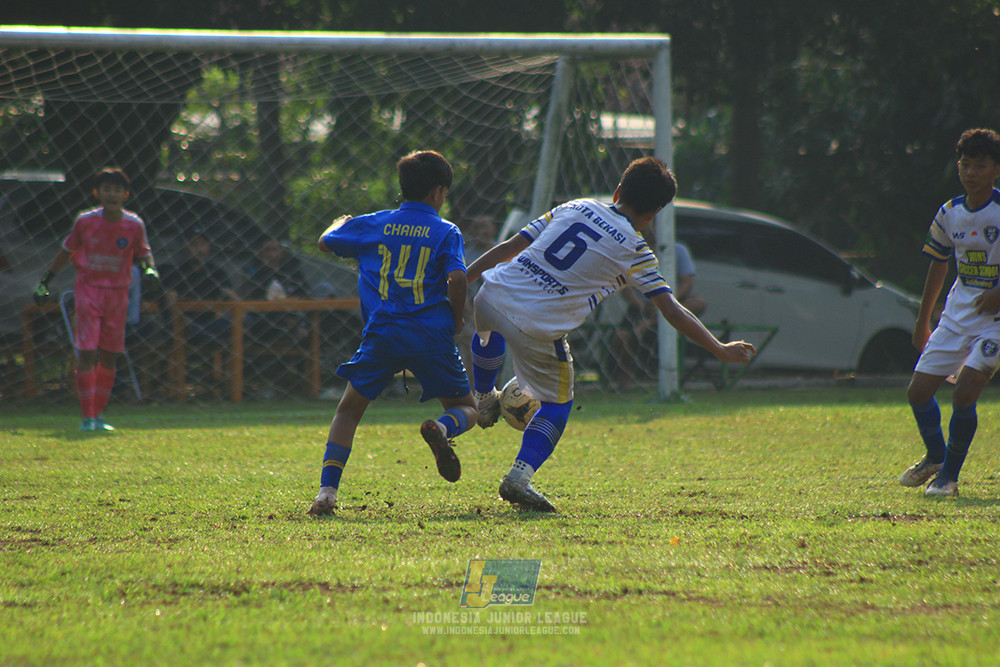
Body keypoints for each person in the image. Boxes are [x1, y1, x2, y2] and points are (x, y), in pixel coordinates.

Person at [466, 157, 756, 512]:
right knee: (557, 404)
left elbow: (510, 247)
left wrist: (463, 278)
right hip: (538, 325)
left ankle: (483, 396)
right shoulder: (636, 249)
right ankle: (518, 477)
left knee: (490, 325)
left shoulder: (575, 206)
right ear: (653, 214)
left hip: (491, 294)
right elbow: (672, 310)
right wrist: (719, 348)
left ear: (618, 191)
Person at [307, 150, 478, 516]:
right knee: (466, 408)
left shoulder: (374, 223)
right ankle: (441, 429)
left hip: (383, 333)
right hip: (430, 335)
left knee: (348, 412)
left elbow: (325, 242)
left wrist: (341, 222)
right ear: (438, 191)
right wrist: (457, 318)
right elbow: (458, 276)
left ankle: (326, 494)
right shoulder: (446, 231)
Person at [899, 128, 1000, 498]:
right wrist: (923, 319)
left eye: (980, 165)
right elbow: (938, 263)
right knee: (918, 392)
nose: (971, 172)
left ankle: (948, 478)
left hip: (995, 324)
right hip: (957, 318)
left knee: (965, 392)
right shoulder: (950, 212)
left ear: (996, 170)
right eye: (965, 164)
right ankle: (936, 456)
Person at [31, 167, 160, 431]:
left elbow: (144, 252)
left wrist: (150, 269)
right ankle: (86, 417)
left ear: (125, 194)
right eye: (107, 189)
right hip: (89, 289)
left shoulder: (134, 224)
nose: (112, 194)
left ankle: (98, 415)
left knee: (110, 355)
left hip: (118, 293)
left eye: (117, 190)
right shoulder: (85, 221)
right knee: (87, 351)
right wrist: (45, 281)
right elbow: (66, 251)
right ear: (96, 193)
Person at [607, 240, 706, 388]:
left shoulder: (678, 250)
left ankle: (651, 323)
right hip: (643, 306)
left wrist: (667, 299)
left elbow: (687, 282)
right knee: (621, 337)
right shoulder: (631, 251)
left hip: (672, 303)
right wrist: (642, 305)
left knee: (699, 302)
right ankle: (626, 375)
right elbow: (625, 288)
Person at [163, 227, 239, 346]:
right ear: (186, 247)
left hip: (210, 323)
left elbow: (231, 295)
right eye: (194, 245)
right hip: (185, 324)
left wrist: (231, 299)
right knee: (183, 328)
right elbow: (170, 298)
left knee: (240, 321)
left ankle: (208, 339)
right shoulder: (176, 272)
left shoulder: (216, 272)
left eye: (203, 244)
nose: (199, 250)